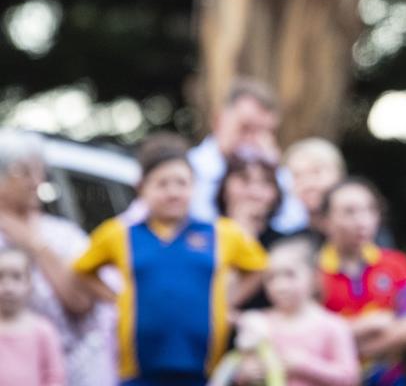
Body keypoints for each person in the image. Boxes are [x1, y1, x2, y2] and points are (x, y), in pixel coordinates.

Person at [73, 132, 269, 386]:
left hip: (204, 372)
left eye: (181, 183)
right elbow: (82, 269)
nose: (173, 192)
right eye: (162, 184)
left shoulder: (221, 233)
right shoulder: (120, 233)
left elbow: (259, 267)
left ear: (194, 185)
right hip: (138, 372)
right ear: (141, 187)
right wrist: (118, 300)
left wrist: (224, 301)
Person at [0, 130, 115, 386]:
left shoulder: (62, 234)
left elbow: (82, 300)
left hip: (79, 371)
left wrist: (35, 246)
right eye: (23, 171)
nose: (35, 181)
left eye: (39, 170)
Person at [317, 178, 406, 386]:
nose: (362, 220)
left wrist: (347, 344)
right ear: (325, 220)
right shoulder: (312, 273)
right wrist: (371, 324)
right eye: (349, 212)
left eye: (370, 210)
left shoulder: (398, 264)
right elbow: (309, 334)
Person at [213, 238, 360, 386]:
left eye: (289, 275)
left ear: (314, 276)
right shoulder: (257, 324)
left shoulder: (332, 326)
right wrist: (244, 375)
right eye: (271, 278)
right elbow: (237, 365)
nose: (280, 286)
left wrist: (305, 365)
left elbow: (349, 378)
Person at [190, 78, 309, 233]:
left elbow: (295, 222)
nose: (254, 140)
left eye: (265, 132)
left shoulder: (275, 172)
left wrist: (274, 169)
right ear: (218, 120)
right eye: (245, 128)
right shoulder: (189, 167)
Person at [218, 148, 297, 310]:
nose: (254, 192)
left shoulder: (286, 243)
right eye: (244, 180)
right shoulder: (205, 235)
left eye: (265, 183)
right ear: (224, 188)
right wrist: (239, 231)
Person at [0, 247, 66, 386]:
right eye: (0, 277)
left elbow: (55, 377)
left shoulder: (43, 330)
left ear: (29, 283)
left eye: (16, 276)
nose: (7, 286)